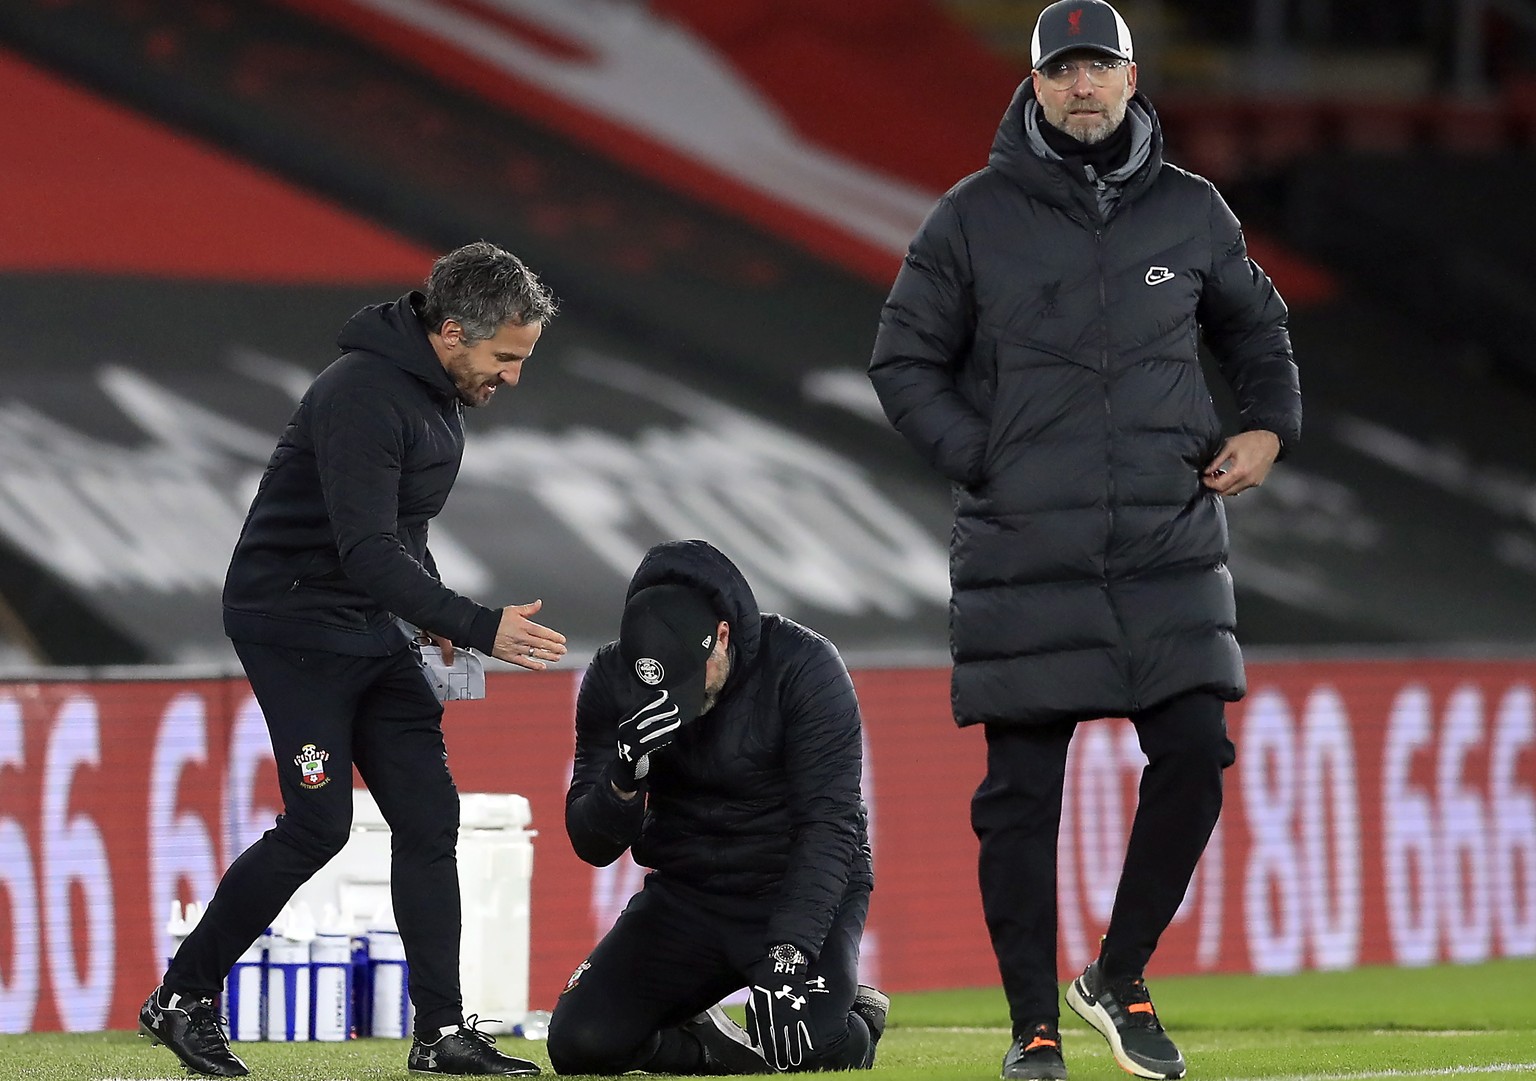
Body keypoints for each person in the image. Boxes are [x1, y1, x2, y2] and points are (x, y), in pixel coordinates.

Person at [867, 2, 1301, 1079]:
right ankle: (1033, 1027)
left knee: (1194, 754)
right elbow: (903, 360)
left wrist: (1265, 426)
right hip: (1024, 547)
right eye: (1062, 70)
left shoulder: (1192, 209)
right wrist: (985, 458)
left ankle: (1119, 973)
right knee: (1022, 798)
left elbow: (1257, 329)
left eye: (1098, 65)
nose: (1082, 86)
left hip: (1166, 539)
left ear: (1131, 77)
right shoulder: (971, 216)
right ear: (1034, 86)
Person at [138, 241, 568, 1078]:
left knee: (428, 816)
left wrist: (431, 613)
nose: (513, 377)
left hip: (368, 623)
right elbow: (366, 548)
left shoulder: (437, 395)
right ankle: (181, 997)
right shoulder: (362, 394)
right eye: (506, 357)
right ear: (452, 332)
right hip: (292, 626)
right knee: (319, 826)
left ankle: (441, 1033)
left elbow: (403, 530)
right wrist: (477, 624)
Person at [546, 539, 887, 1075]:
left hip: (790, 888)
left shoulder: (804, 665)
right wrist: (623, 779)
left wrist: (790, 950)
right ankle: (710, 1046)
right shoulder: (614, 678)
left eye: (690, 676)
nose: (684, 700)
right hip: (687, 894)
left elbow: (830, 826)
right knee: (580, 1044)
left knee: (804, 1045)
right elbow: (591, 845)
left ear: (722, 635)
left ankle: (857, 1019)